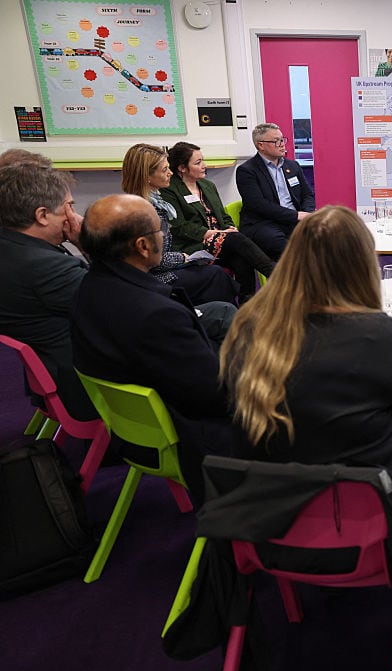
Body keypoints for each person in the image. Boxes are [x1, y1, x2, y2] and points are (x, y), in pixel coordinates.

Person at [220, 206, 392, 544]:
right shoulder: (381, 333)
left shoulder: (247, 325)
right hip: (360, 504)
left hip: (269, 507)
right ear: (362, 263)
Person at [71, 195, 233, 499]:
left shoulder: (88, 288)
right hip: (193, 438)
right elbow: (219, 396)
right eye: (161, 231)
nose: (164, 237)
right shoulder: (156, 314)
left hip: (136, 429)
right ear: (143, 246)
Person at [0, 161, 94, 420]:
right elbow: (121, 303)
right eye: (69, 206)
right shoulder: (46, 267)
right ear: (42, 215)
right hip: (87, 385)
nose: (73, 215)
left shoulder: (10, 245)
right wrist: (90, 245)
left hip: (51, 376)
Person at [121, 143, 239, 305]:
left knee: (228, 259)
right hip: (155, 278)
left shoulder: (153, 202)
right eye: (164, 170)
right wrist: (182, 257)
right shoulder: (146, 210)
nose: (170, 173)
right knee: (215, 275)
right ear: (147, 176)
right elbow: (153, 261)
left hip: (165, 266)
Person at [160, 141, 275, 300]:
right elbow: (180, 227)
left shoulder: (207, 185)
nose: (204, 165)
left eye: (203, 160)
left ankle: (246, 305)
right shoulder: (170, 190)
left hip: (223, 241)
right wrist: (210, 233)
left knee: (241, 257)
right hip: (195, 243)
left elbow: (223, 216)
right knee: (235, 240)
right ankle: (276, 274)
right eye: (198, 162)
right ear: (182, 168)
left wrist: (230, 227)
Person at [235, 123, 316, 259]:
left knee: (326, 235)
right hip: (264, 222)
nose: (282, 144)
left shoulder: (292, 166)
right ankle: (293, 278)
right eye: (276, 141)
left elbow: (307, 195)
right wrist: (295, 215)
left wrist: (307, 214)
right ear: (261, 145)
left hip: (293, 219)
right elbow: (259, 205)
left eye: (282, 139)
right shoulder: (247, 171)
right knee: (282, 245)